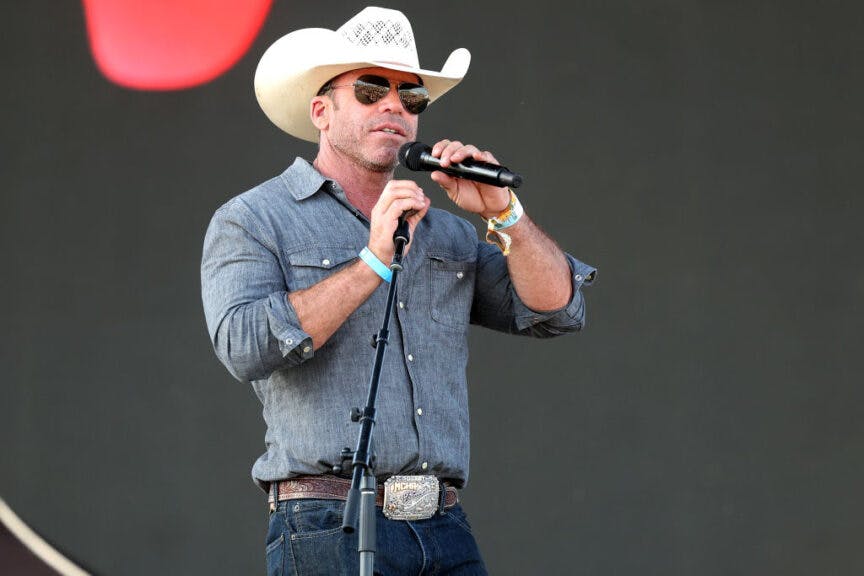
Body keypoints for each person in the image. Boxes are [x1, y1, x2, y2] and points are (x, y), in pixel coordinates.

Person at [201, 7, 595, 576]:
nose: (394, 105)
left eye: (411, 97)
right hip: (326, 520)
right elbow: (242, 346)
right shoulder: (255, 218)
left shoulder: (444, 228)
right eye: (369, 89)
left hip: (443, 519)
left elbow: (556, 309)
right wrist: (372, 262)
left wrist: (505, 215)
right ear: (321, 110)